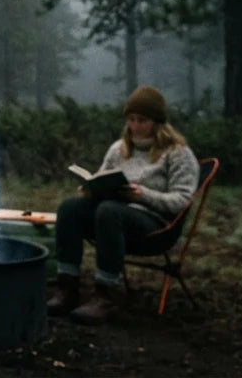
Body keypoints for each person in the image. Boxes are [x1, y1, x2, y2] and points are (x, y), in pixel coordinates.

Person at [46, 85, 199, 324]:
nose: (135, 126)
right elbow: (102, 179)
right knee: (70, 208)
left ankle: (107, 296)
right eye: (131, 120)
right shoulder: (119, 149)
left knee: (109, 212)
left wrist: (144, 195)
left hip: (155, 225)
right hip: (112, 216)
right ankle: (67, 287)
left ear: (157, 122)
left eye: (142, 120)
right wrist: (91, 190)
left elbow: (181, 201)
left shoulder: (177, 153)